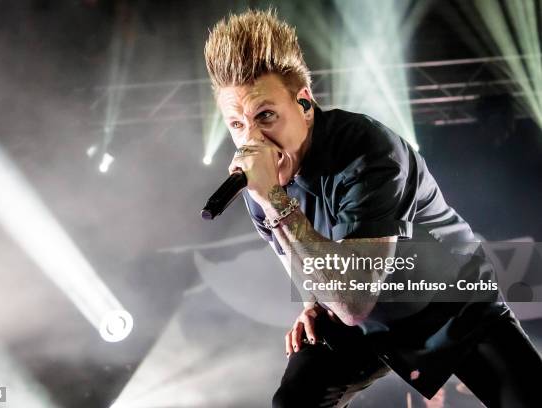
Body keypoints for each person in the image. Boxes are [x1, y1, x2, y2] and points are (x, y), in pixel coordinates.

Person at [204, 9, 542, 408]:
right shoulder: (258, 182)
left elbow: (354, 299)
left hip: (444, 302)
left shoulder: (367, 151)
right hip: (363, 318)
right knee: (294, 400)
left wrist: (276, 202)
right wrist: (312, 303)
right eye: (237, 125)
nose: (253, 139)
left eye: (266, 116)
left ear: (304, 103)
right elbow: (298, 262)